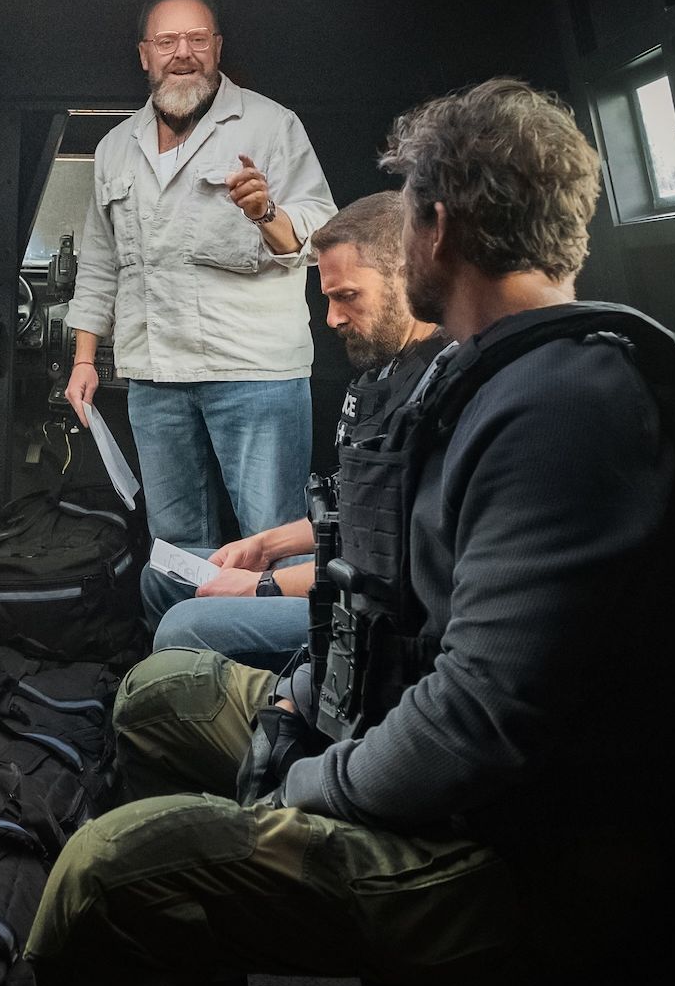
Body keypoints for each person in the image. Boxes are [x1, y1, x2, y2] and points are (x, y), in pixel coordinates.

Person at [27, 79, 675, 986]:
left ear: (438, 229)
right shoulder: (471, 381)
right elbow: (381, 603)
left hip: (497, 858)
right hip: (396, 735)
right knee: (161, 697)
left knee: (106, 877)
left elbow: (476, 723)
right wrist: (293, 707)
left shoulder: (562, 407)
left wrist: (304, 786)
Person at [63, 0, 336, 548]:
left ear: (217, 47)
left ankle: (270, 613)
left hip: (255, 373)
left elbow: (323, 231)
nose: (182, 53)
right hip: (154, 376)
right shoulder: (115, 147)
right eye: (167, 41)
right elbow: (100, 262)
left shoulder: (270, 125)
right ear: (145, 54)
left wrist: (267, 213)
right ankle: (185, 612)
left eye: (197, 39)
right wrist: (84, 359)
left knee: (273, 538)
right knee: (175, 542)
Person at [138, 191, 449, 666]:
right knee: (162, 575)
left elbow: (386, 563)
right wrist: (263, 545)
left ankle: (274, 705)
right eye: (328, 298)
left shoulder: (441, 390)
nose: (332, 318)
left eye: (347, 296)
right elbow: (354, 506)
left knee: (185, 625)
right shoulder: (386, 370)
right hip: (347, 567)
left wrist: (262, 585)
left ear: (410, 275)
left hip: (381, 614)